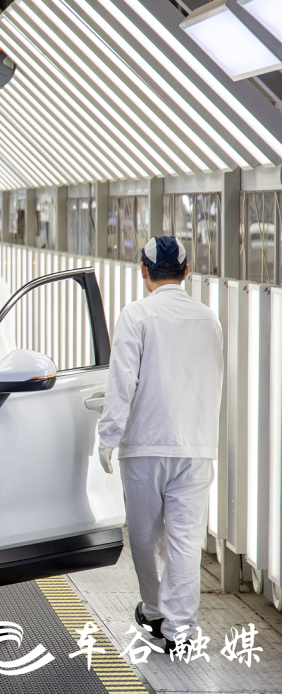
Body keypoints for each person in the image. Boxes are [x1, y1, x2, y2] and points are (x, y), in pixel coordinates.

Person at [96, 236, 223, 653]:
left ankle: (153, 610)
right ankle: (179, 631)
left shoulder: (137, 314)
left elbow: (121, 382)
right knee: (186, 542)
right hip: (196, 447)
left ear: (143, 271)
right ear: (186, 272)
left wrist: (108, 437)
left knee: (144, 538)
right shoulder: (209, 318)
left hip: (145, 446)